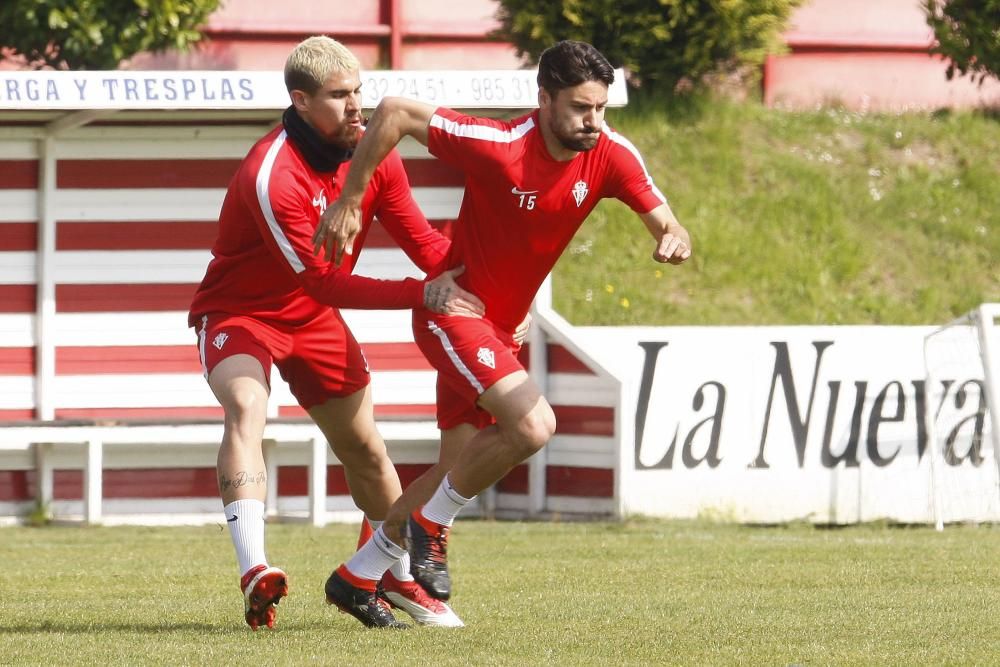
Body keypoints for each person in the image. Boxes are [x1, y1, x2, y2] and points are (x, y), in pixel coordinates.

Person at [314, 40, 692, 627]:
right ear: (543, 99)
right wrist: (351, 199)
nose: (594, 122)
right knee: (534, 423)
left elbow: (667, 220)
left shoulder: (611, 153)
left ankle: (361, 575)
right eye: (580, 108)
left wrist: (672, 238)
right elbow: (393, 112)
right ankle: (428, 528)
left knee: (457, 469)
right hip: (453, 316)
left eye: (601, 108)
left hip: (500, 332)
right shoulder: (500, 146)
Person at [188, 35, 486, 631]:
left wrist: (484, 290)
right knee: (246, 406)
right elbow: (327, 283)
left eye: (360, 92)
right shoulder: (271, 177)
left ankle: (394, 578)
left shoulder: (374, 154)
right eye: (340, 96)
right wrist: (422, 292)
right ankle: (255, 569)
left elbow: (424, 242)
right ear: (300, 101)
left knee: (368, 453)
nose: (357, 108)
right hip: (242, 314)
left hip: (315, 321)